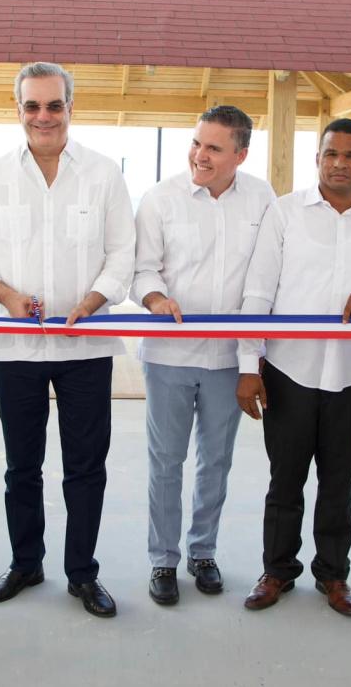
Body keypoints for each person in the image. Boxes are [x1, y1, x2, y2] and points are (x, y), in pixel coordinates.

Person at [0, 62, 135, 618]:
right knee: (22, 466)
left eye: (53, 105)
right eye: (32, 106)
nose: (43, 116)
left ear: (70, 108)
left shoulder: (104, 174)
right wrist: (7, 295)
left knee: (86, 467)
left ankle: (82, 573)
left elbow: (122, 254)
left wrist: (93, 301)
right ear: (18, 110)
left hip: (86, 347)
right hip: (15, 348)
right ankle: (25, 563)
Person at [236, 119, 351, 616]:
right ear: (318, 158)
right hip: (289, 372)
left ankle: (334, 576)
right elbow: (258, 292)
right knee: (285, 480)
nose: (340, 163)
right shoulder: (284, 213)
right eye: (331, 153)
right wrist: (250, 365)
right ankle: (276, 571)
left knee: (339, 481)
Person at [133, 105, 274, 605]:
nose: (200, 155)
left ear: (241, 154)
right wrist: (154, 298)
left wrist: (250, 364)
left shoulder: (262, 200)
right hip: (168, 355)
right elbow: (142, 270)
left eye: (213, 147)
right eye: (196, 143)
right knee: (166, 462)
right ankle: (163, 561)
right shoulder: (159, 199)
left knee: (216, 461)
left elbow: (263, 285)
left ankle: (202, 552)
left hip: (228, 360)